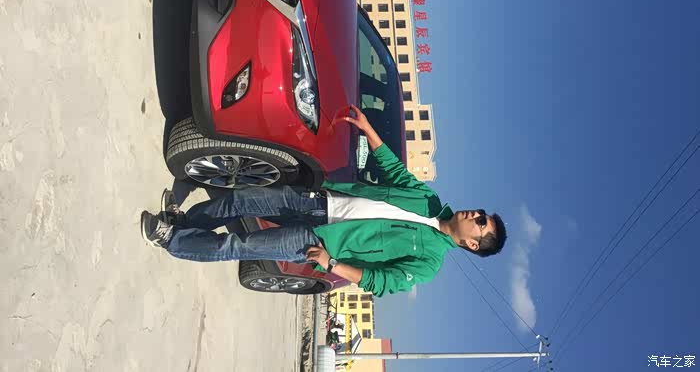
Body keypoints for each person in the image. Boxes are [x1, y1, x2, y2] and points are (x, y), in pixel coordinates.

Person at [141, 105, 507, 297]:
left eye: (480, 222)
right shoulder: (429, 200)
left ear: (473, 244)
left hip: (318, 242)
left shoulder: (428, 263)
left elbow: (380, 281)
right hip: (318, 201)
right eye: (481, 212)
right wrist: (369, 130)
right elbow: (395, 171)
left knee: (239, 244)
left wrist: (332, 264)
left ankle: (170, 239)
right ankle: (182, 222)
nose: (475, 214)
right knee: (238, 202)